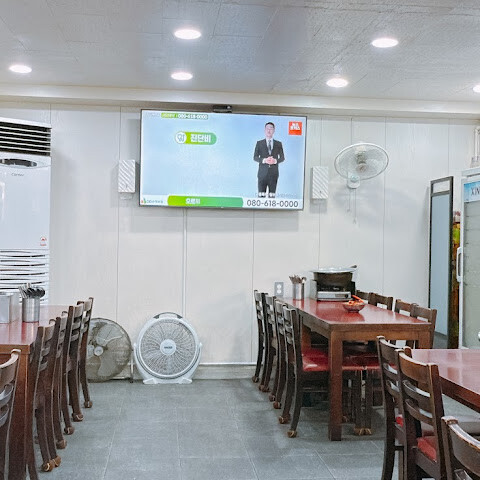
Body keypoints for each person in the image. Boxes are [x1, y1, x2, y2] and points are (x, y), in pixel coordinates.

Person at [253, 122, 285, 197]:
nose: (269, 130)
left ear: (274, 130)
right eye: (267, 128)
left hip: (274, 174)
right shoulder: (259, 143)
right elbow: (255, 157)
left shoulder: (278, 144)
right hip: (262, 174)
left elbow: (282, 158)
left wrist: (275, 161)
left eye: (271, 128)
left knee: (272, 197)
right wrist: (264, 160)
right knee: (261, 196)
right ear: (265, 130)